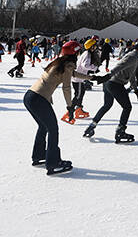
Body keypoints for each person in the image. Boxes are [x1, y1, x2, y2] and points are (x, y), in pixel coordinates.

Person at [23, 41, 94, 175]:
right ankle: (53, 163)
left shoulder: (60, 63)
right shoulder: (67, 65)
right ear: (75, 53)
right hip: (39, 99)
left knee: (43, 127)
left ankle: (39, 156)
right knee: (53, 129)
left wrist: (92, 77)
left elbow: (73, 74)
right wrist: (70, 107)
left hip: (30, 96)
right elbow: (66, 87)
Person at [83, 41, 138, 143]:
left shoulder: (135, 57)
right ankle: (120, 131)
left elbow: (131, 74)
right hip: (114, 83)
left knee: (107, 105)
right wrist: (109, 75)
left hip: (109, 83)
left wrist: (136, 90)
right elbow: (120, 66)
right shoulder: (133, 56)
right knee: (127, 107)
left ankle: (91, 126)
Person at [62, 38, 100, 124]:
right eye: (94, 46)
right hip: (78, 78)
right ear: (91, 47)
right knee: (78, 95)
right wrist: (94, 68)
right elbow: (85, 65)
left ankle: (79, 109)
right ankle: (69, 112)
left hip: (79, 78)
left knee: (81, 92)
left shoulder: (87, 53)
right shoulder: (87, 54)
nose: (95, 48)